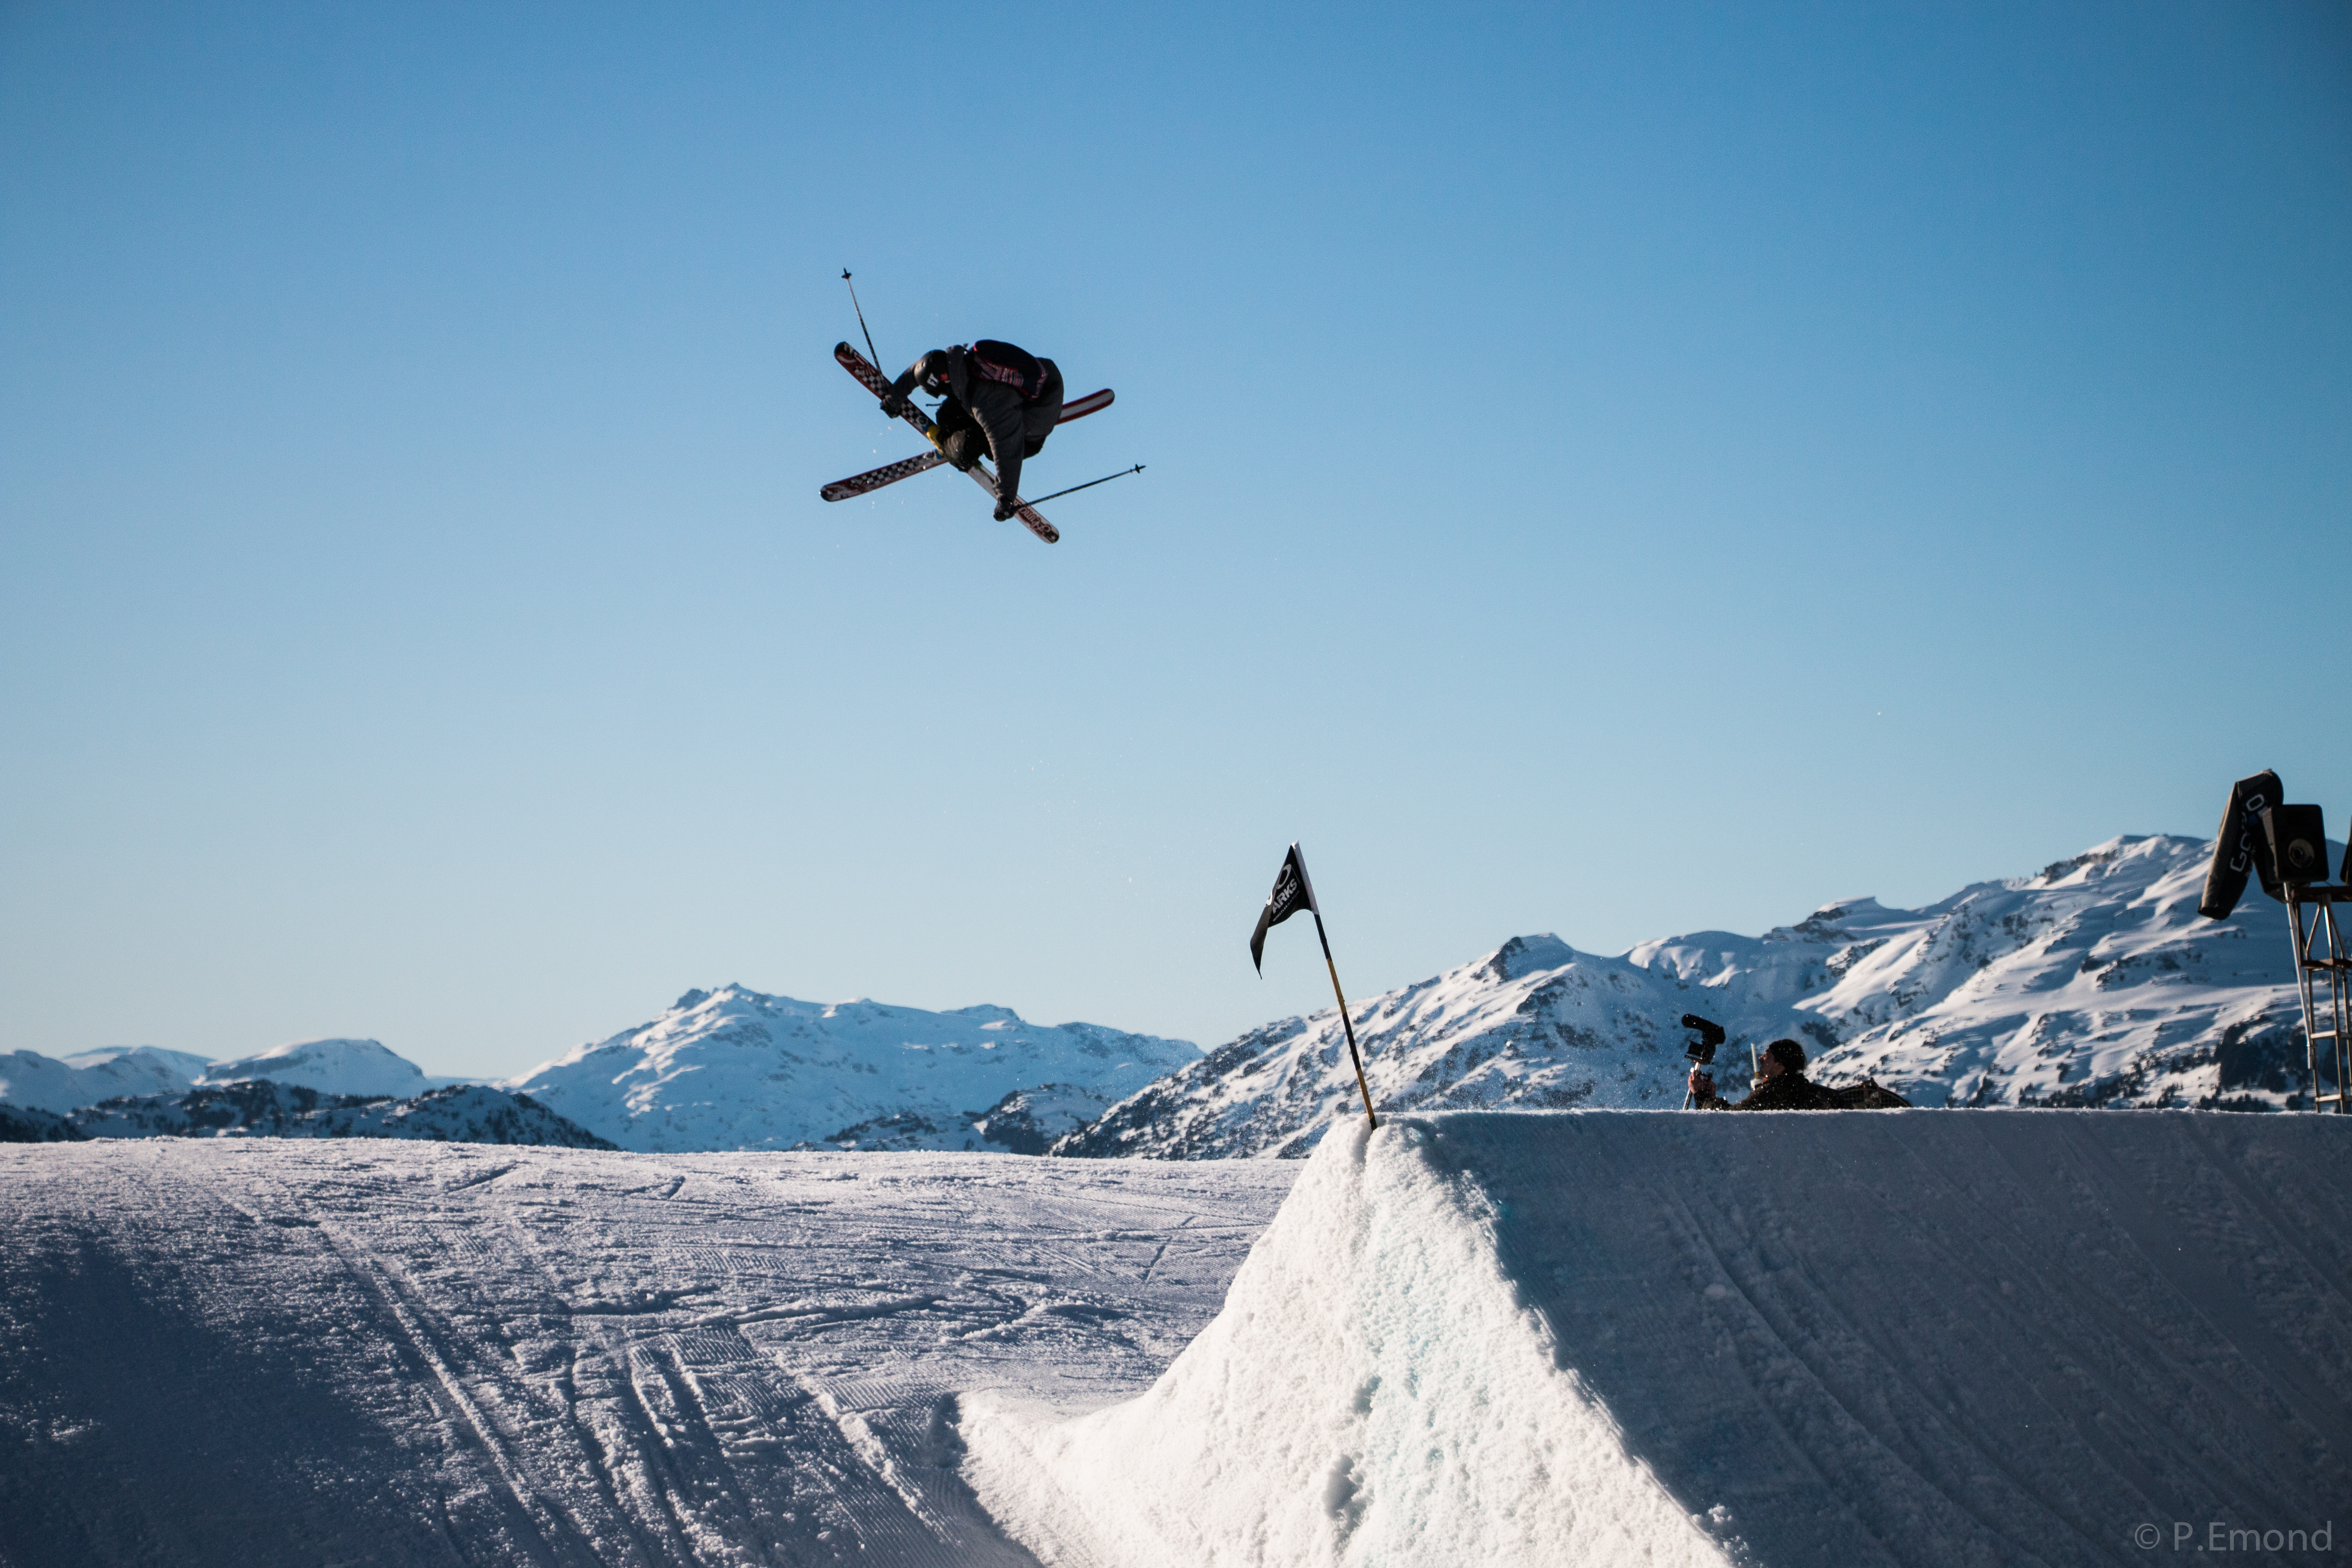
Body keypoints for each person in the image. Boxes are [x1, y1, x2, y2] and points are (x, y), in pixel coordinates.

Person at [877, 340, 1065, 521]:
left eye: (942, 392)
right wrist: (895, 397)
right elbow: (917, 373)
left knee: (964, 452)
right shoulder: (958, 363)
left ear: (945, 381)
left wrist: (1006, 498)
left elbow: (1007, 444)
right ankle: (955, 439)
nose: (943, 394)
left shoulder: (988, 402)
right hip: (1036, 390)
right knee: (946, 415)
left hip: (1029, 434)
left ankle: (949, 446)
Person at [1688, 1038, 1836, 1111]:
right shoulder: (1799, 1088)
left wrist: (1702, 1096)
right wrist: (1712, 1098)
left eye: (1768, 1055)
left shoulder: (1774, 1091)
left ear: (1780, 1064)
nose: (1761, 1057)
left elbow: (1730, 1118)